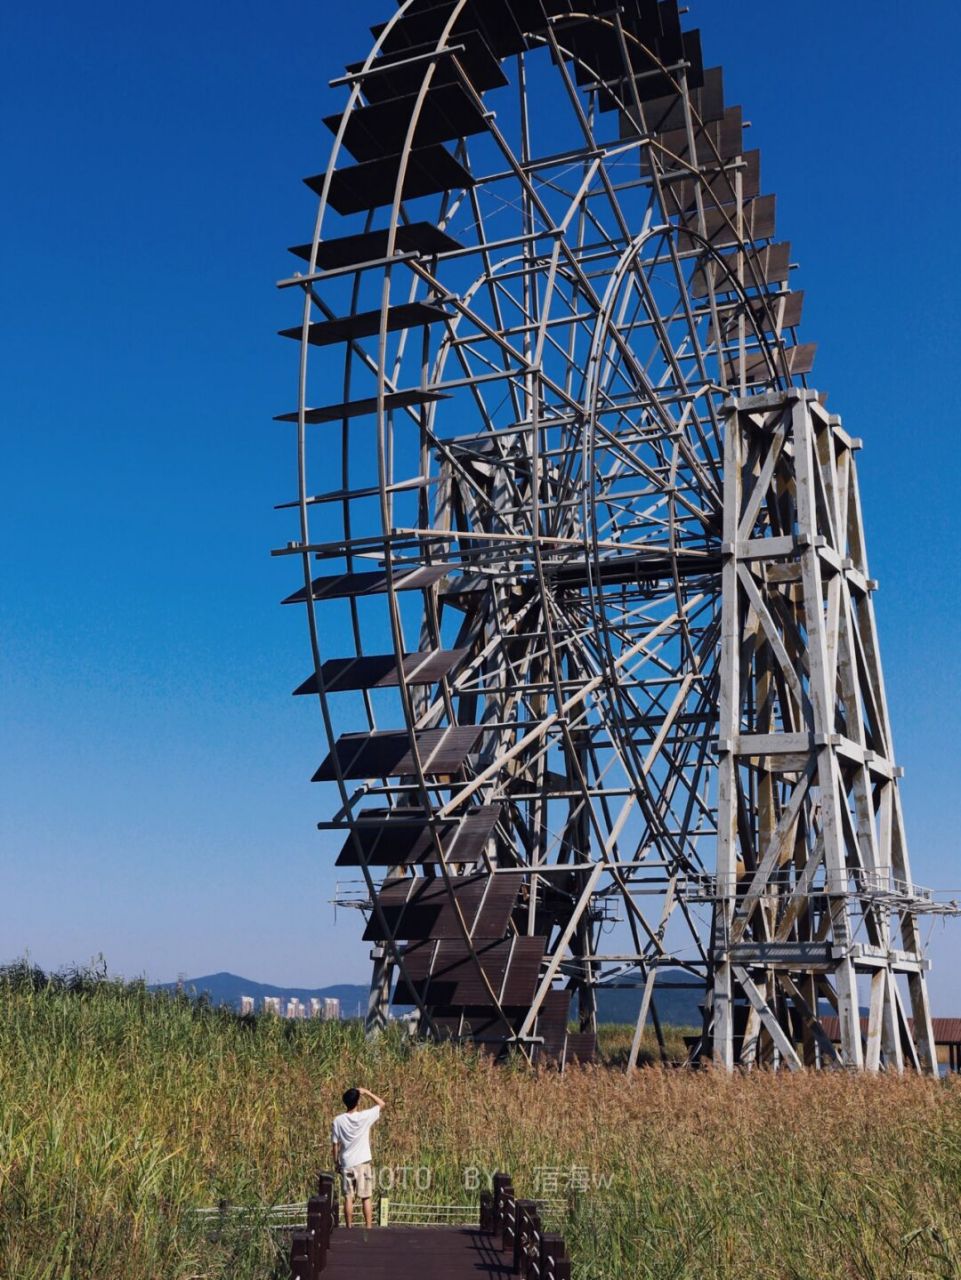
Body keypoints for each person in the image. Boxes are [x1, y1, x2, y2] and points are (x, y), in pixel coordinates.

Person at [330, 1085, 385, 1228]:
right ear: (357, 1102)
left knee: (348, 1197)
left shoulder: (338, 1120)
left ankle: (349, 1227)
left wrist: (336, 1162)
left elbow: (335, 1144)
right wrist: (366, 1092)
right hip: (362, 1162)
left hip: (346, 1162)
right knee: (366, 1196)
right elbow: (381, 1104)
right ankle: (368, 1227)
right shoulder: (364, 1116)